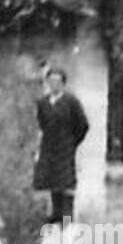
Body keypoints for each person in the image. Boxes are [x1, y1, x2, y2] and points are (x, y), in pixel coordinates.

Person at [33, 65, 89, 224]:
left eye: (57, 82)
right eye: (51, 82)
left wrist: (72, 142)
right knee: (53, 185)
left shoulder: (71, 102)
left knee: (66, 186)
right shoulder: (43, 103)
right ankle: (56, 217)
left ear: (63, 84)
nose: (53, 85)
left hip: (65, 150)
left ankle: (67, 220)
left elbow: (83, 125)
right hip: (49, 149)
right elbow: (42, 124)